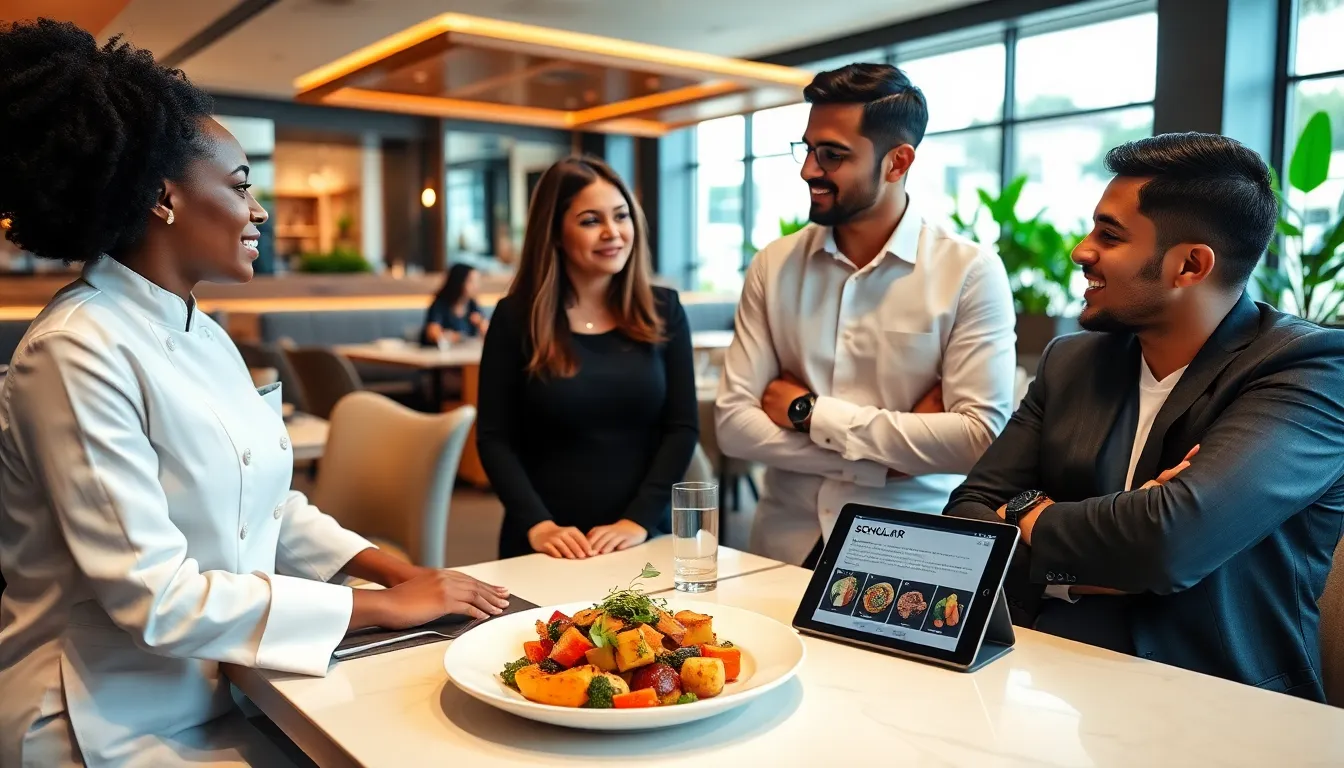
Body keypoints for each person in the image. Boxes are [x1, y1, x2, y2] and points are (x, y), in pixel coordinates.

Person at [0, 21, 510, 766]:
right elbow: (156, 598)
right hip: (101, 714)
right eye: (241, 186)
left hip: (222, 681)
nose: (259, 210)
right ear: (163, 198)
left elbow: (269, 504)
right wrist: (378, 607)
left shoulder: (202, 331)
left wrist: (397, 572)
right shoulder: (76, 349)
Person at [945, 132, 1344, 702]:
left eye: (1109, 236)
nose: (1081, 251)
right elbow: (966, 517)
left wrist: (1029, 513)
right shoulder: (1072, 362)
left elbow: (1167, 543)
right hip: (1051, 682)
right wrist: (1113, 551)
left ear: (1189, 265)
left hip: (1224, 704)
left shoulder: (1307, 368)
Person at [714, 63, 1017, 567]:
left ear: (898, 162)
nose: (809, 170)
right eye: (808, 149)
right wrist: (883, 462)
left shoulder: (969, 272)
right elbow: (733, 425)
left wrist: (808, 412)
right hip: (783, 543)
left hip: (908, 549)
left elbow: (977, 438)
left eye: (832, 155)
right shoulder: (775, 263)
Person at [477, 157, 698, 560]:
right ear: (555, 232)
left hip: (642, 536)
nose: (612, 232)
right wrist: (537, 524)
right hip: (545, 541)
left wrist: (638, 520)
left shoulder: (664, 309)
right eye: (591, 221)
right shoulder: (515, 317)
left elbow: (681, 428)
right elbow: (494, 438)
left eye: (621, 216)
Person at [421, 262, 489, 347]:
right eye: (471, 281)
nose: (476, 286)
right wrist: (451, 336)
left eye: (477, 282)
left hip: (465, 352)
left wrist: (481, 323)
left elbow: (490, 333)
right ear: (459, 282)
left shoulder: (472, 305)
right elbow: (433, 332)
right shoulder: (440, 305)